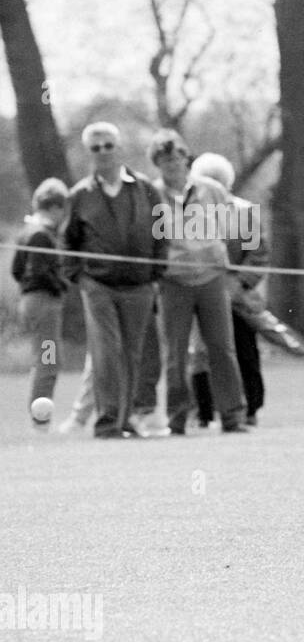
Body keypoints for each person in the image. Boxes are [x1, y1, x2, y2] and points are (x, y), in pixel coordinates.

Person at [63, 122, 167, 439]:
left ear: (119, 148)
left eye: (109, 145)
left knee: (132, 353)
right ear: (89, 153)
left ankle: (127, 420)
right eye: (96, 148)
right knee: (106, 351)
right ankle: (107, 421)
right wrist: (79, 277)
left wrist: (155, 273)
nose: (104, 152)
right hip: (98, 286)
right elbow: (68, 242)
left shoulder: (146, 188)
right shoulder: (79, 195)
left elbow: (161, 235)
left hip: (139, 285)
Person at [148, 129, 247, 434]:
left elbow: (237, 231)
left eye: (177, 156)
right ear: (158, 163)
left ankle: (232, 415)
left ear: (186, 158)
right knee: (175, 354)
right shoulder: (152, 194)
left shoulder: (212, 191)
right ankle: (178, 418)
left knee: (221, 348)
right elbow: (150, 240)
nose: (173, 164)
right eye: (165, 159)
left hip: (212, 280)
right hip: (173, 283)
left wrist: (229, 269)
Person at [187, 152, 272, 425]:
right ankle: (202, 412)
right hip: (199, 291)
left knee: (242, 350)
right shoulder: (187, 213)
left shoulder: (244, 213)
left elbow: (257, 255)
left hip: (237, 296)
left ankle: (249, 408)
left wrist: (239, 282)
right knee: (200, 354)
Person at [11, 178, 69, 426]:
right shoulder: (41, 235)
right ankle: (40, 418)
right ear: (55, 207)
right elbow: (38, 271)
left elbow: (16, 270)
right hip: (44, 302)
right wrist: (61, 285)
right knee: (48, 359)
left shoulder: (27, 231)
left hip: (29, 300)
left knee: (44, 358)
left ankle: (39, 415)